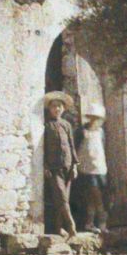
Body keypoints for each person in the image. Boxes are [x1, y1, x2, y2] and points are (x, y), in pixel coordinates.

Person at [41, 93, 78, 237]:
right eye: (54, 106)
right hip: (53, 167)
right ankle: (71, 225)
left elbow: (71, 145)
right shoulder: (46, 126)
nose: (57, 109)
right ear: (49, 109)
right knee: (61, 197)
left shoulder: (66, 125)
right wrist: (45, 166)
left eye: (59, 106)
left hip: (67, 166)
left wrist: (74, 165)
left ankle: (58, 228)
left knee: (62, 200)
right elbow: (42, 148)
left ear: (63, 109)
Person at [73, 106, 110, 232]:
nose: (95, 121)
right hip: (87, 170)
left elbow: (102, 149)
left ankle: (92, 223)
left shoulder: (101, 132)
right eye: (93, 118)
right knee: (94, 196)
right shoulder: (82, 132)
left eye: (98, 118)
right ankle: (99, 223)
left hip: (100, 169)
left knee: (97, 197)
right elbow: (76, 148)